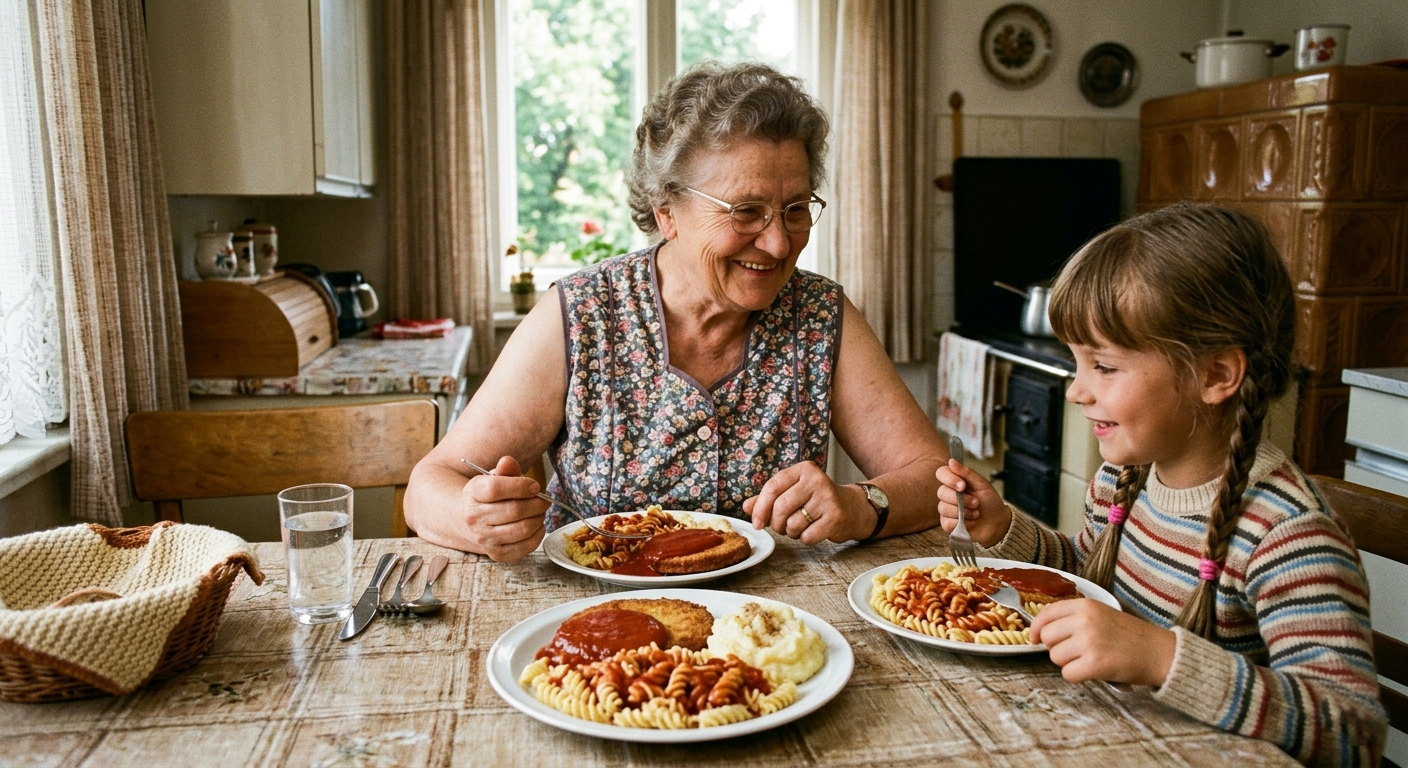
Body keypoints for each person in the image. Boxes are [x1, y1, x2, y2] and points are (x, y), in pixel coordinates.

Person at [406, 61, 947, 562]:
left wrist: (860, 504)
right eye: (747, 211)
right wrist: (471, 515)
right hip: (596, 624)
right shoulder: (583, 313)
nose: (780, 244)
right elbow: (431, 484)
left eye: (796, 210)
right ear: (668, 212)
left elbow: (935, 478)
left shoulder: (820, 315)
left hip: (772, 630)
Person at [935, 204, 1386, 765]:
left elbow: (1354, 734)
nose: (1077, 391)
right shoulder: (1122, 480)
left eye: (1103, 366)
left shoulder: (1286, 535)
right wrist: (1003, 528)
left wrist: (1163, 658)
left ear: (1216, 375)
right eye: (1076, 363)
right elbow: (1085, 579)